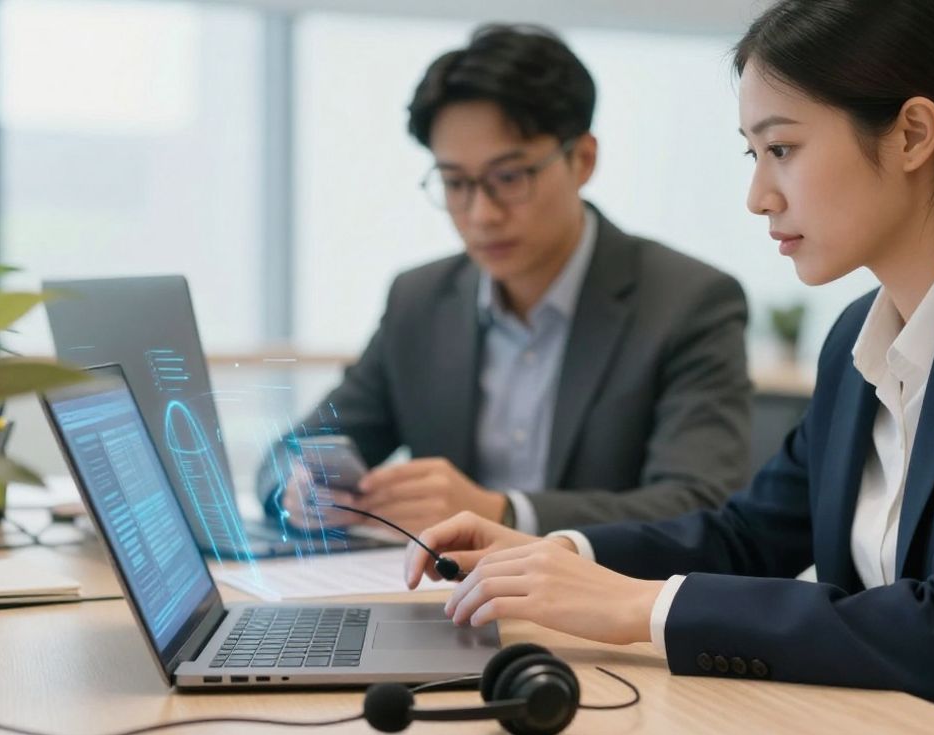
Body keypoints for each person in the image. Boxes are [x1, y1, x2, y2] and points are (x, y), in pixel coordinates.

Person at [403, 0, 934, 735]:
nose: (759, 197)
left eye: (782, 149)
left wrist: (637, 606)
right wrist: (554, 554)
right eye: (753, 155)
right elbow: (749, 536)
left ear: (912, 134)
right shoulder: (860, 334)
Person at [258, 25, 753, 537]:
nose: (482, 214)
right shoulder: (420, 301)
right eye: (455, 183)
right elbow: (287, 455)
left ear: (583, 159)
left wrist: (503, 512)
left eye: (510, 178)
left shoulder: (688, 302)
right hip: (435, 584)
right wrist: (297, 492)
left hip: (598, 587)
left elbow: (701, 505)